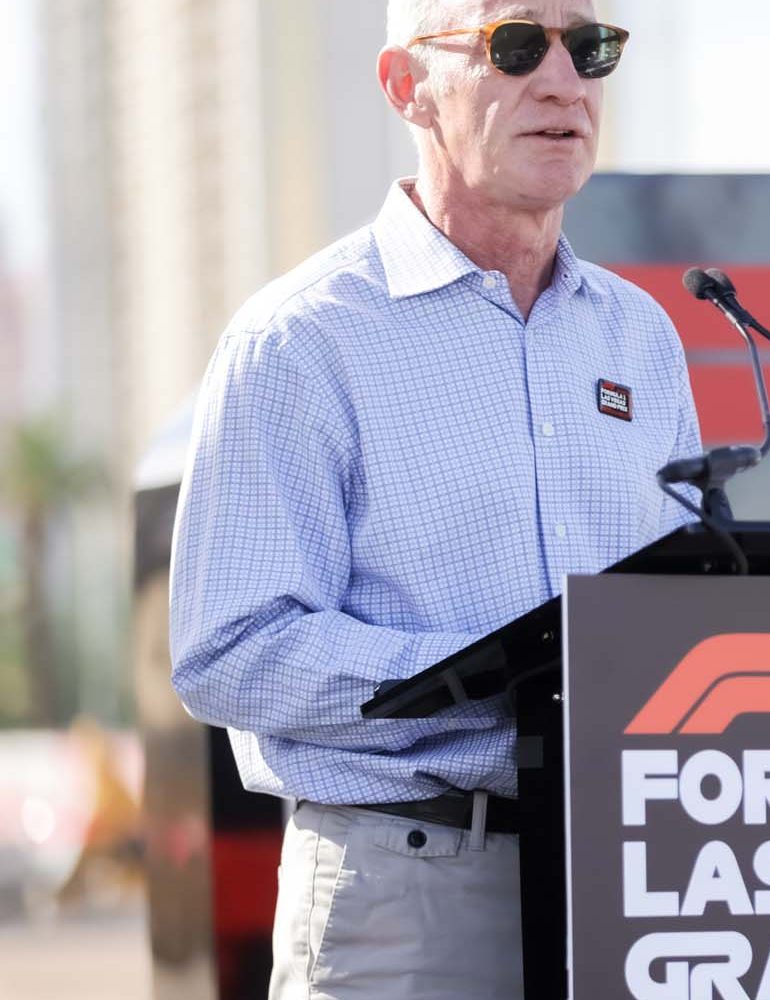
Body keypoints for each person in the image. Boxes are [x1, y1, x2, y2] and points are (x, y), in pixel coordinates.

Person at [168, 3, 703, 997]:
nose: (561, 81)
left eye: (588, 48)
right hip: (410, 897)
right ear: (404, 86)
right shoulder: (300, 340)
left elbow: (677, 616)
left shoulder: (642, 337)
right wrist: (502, 692)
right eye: (512, 46)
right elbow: (227, 650)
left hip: (637, 886)